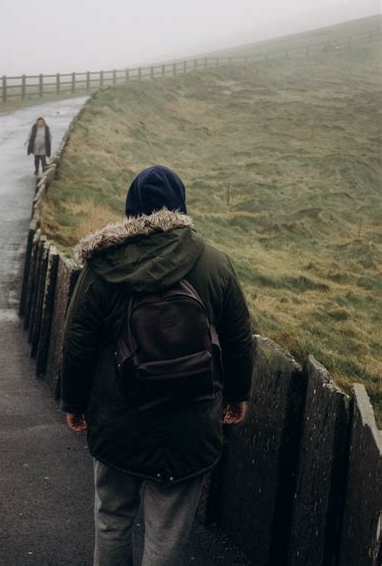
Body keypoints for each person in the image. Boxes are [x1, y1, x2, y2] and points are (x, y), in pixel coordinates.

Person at [61, 165, 253, 566]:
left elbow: (77, 343)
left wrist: (75, 404)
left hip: (118, 419)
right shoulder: (215, 263)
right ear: (180, 207)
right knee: (167, 532)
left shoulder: (102, 268)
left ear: (131, 210)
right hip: (191, 421)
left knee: (113, 518)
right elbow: (238, 339)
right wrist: (237, 396)